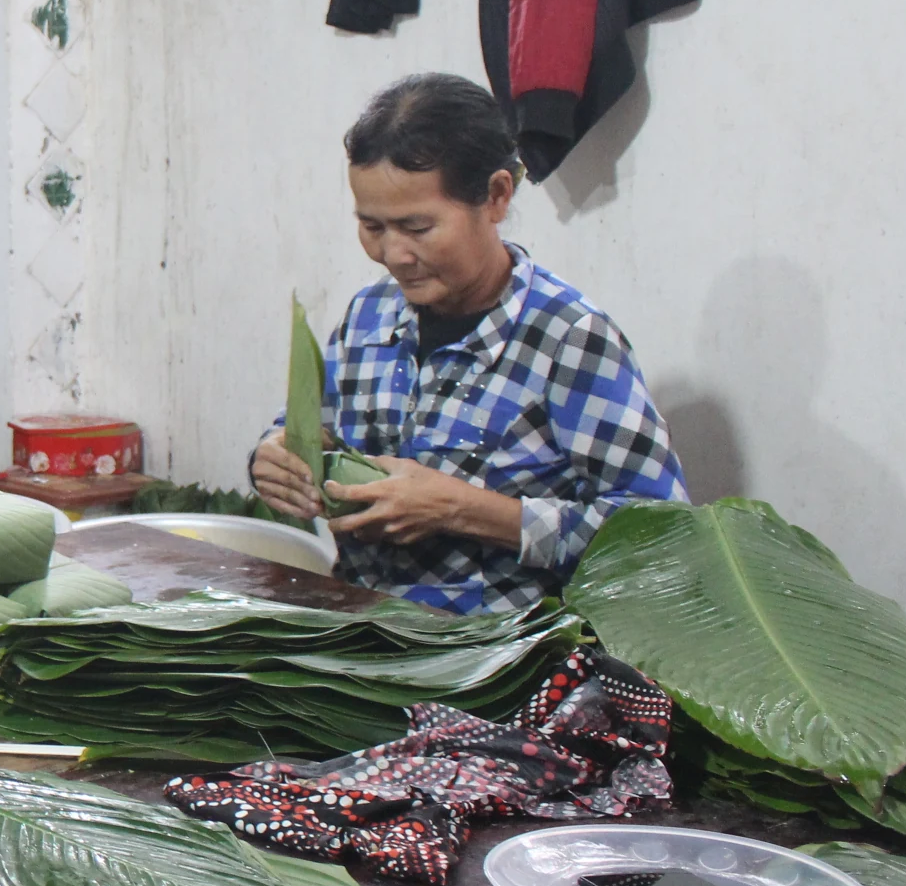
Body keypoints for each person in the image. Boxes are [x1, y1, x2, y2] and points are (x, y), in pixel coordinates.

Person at [250, 73, 687, 612]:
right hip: (366, 637)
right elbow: (310, 425)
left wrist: (464, 510)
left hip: (500, 667)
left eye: (417, 227)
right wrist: (277, 456)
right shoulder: (369, 316)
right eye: (372, 227)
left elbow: (663, 536)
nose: (393, 254)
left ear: (496, 196)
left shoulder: (568, 340)